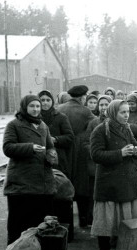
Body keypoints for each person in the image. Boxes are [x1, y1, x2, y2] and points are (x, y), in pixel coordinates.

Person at [90, 100, 137, 250]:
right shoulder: (100, 130)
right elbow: (96, 155)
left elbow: (135, 145)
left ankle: (120, 244)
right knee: (106, 217)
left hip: (126, 178)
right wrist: (120, 153)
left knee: (124, 214)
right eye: (123, 112)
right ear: (113, 113)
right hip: (109, 180)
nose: (127, 115)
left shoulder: (126, 128)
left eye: (128, 112)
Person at [3, 95, 57, 245]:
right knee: (19, 223)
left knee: (38, 223)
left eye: (38, 106)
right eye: (32, 106)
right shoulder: (14, 125)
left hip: (42, 182)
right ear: (25, 107)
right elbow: (7, 148)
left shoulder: (42, 125)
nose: (35, 109)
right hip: (21, 182)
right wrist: (30, 147)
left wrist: (52, 154)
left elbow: (50, 145)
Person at [57, 85, 95, 228]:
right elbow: (96, 126)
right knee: (82, 186)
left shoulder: (59, 108)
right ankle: (84, 220)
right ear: (82, 97)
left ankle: (67, 224)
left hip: (63, 151)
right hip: (80, 153)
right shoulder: (86, 112)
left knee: (64, 186)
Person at [85, 95, 112, 222]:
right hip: (96, 164)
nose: (103, 107)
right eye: (101, 105)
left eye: (106, 105)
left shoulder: (118, 122)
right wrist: (96, 151)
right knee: (95, 194)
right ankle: (94, 219)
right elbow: (86, 142)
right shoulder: (93, 123)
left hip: (113, 164)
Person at [38, 90, 74, 178]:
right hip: (37, 158)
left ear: (52, 101)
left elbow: (70, 137)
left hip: (57, 159)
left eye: (48, 100)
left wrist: (55, 139)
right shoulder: (34, 118)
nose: (45, 103)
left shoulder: (60, 117)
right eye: (42, 100)